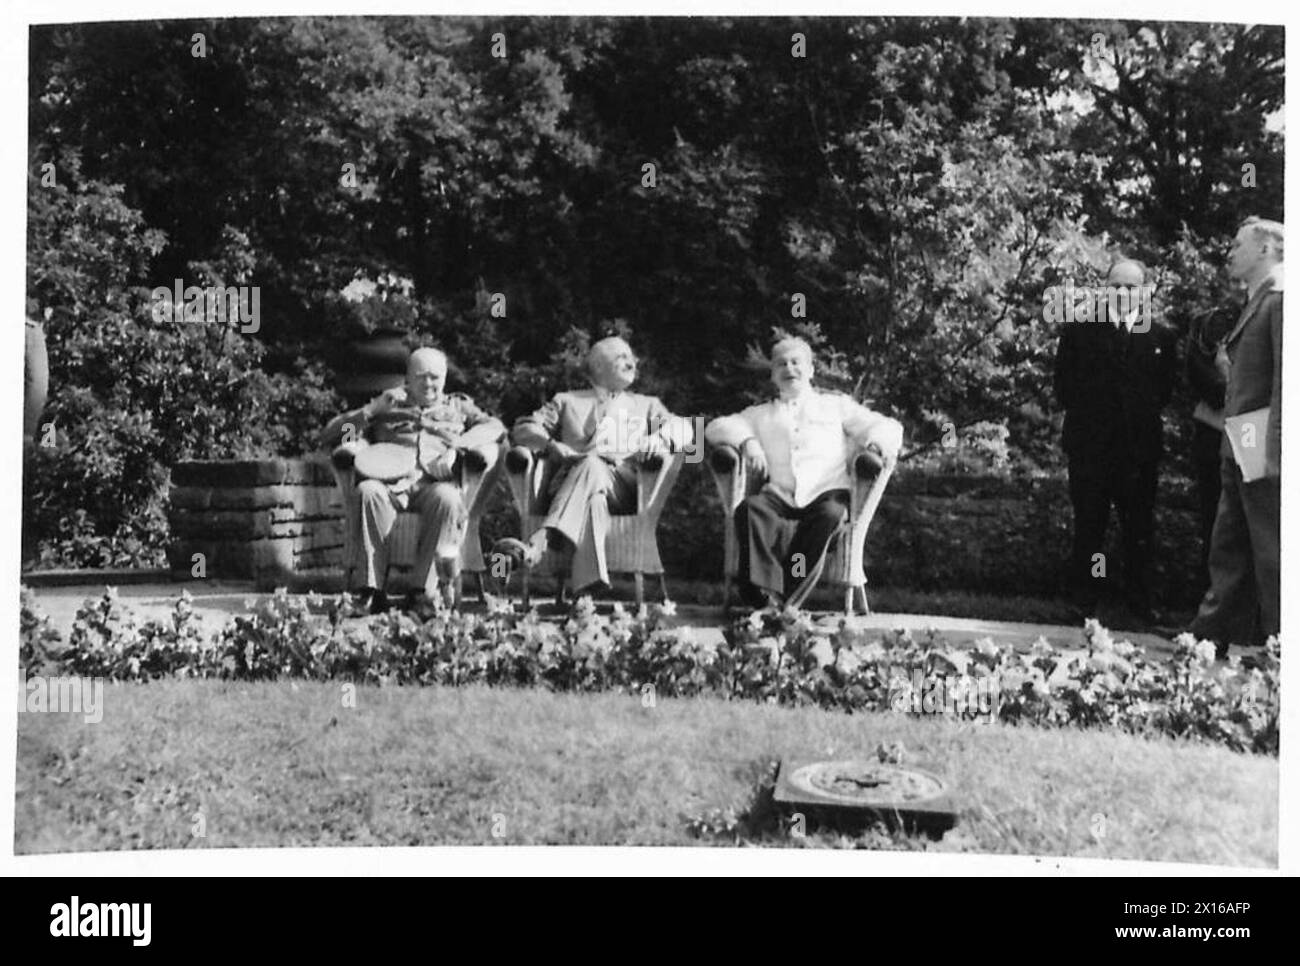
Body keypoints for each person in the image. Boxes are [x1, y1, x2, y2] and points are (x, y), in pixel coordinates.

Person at [704, 337, 903, 609]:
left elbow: (890, 427)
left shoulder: (835, 406)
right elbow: (715, 427)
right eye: (781, 364)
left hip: (826, 495)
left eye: (796, 362)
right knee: (750, 510)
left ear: (810, 370)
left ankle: (785, 597)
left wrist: (875, 445)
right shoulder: (760, 413)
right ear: (773, 375)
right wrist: (748, 442)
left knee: (830, 515)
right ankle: (762, 594)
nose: (789, 368)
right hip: (780, 497)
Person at [493, 336, 692, 594]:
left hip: (623, 487)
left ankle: (540, 541)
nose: (631, 362)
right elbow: (523, 429)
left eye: (631, 357)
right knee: (593, 498)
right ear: (598, 365)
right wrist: (551, 446)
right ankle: (585, 594)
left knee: (592, 463)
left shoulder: (647, 405)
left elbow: (689, 430)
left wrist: (660, 438)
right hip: (573, 484)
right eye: (621, 357)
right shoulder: (567, 400)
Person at [322, 347, 504, 612]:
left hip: (434, 484)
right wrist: (370, 411)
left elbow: (495, 428)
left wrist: (460, 444)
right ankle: (371, 591)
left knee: (449, 498)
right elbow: (332, 433)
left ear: (444, 378)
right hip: (389, 484)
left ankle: (422, 592)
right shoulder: (389, 402)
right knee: (367, 491)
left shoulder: (458, 406)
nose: (428, 384)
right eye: (421, 377)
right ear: (408, 378)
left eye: (435, 377)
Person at [1052, 258, 1178, 623]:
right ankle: (1086, 598)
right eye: (1115, 286)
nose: (1122, 293)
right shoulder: (1080, 332)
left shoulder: (1160, 337)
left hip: (1138, 453)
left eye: (1130, 287)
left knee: (1138, 528)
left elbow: (1163, 392)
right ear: (1104, 289)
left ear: (1145, 292)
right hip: (1091, 449)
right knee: (1090, 527)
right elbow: (1064, 387)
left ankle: (1138, 602)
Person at [1187, 217, 1283, 655]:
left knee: (1270, 545)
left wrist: (1277, 449)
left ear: (1266, 249)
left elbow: (1286, 383)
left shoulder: (1281, 298)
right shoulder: (1259, 298)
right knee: (1231, 539)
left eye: (1239, 244)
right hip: (1245, 432)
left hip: (1261, 436)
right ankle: (1210, 634)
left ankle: (1281, 645)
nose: (1230, 251)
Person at [1185, 307, 1234, 589]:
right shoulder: (1207, 333)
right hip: (1212, 431)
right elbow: (1213, 392)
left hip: (1247, 431)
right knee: (1212, 516)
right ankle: (1208, 591)